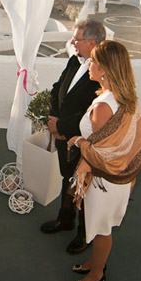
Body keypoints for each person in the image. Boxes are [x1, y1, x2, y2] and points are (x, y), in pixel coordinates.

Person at [66, 40, 141, 281]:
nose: (89, 64)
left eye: (93, 61)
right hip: (118, 180)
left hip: (104, 180)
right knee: (102, 225)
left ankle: (97, 274)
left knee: (101, 229)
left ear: (105, 69)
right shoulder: (125, 98)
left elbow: (102, 153)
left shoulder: (103, 106)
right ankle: (94, 261)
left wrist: (79, 141)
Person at [40, 20, 106, 254]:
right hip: (63, 134)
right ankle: (64, 219)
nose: (72, 42)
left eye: (77, 39)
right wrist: (53, 119)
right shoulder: (73, 60)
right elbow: (59, 88)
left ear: (92, 43)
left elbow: (94, 111)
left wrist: (62, 124)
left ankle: (84, 233)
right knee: (67, 178)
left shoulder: (104, 72)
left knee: (85, 187)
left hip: (84, 140)